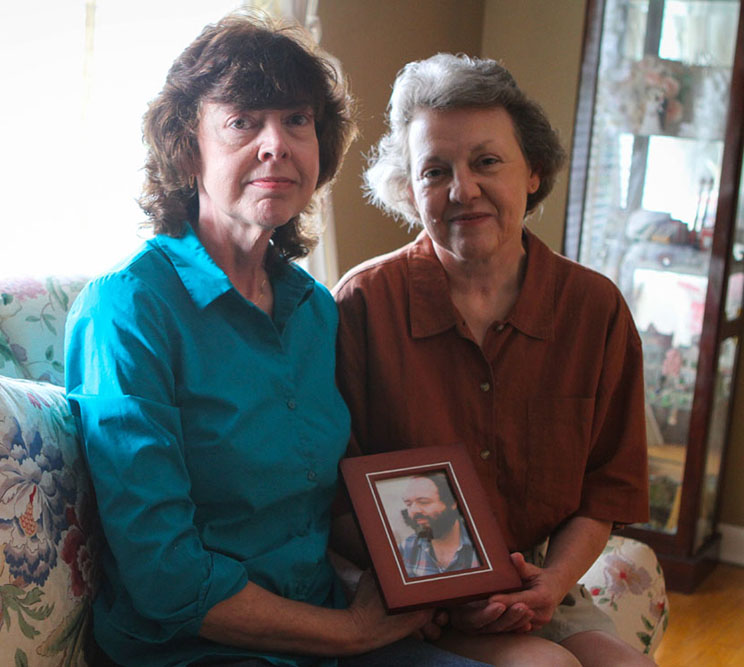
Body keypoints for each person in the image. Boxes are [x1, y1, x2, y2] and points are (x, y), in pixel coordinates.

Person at [65, 16, 485, 667]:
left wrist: (444, 574)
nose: (277, 144)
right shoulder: (127, 309)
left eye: (297, 119)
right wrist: (353, 632)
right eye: (243, 121)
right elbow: (165, 577)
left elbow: (334, 500)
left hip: (323, 623)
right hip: (198, 648)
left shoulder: (315, 309)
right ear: (186, 147)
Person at [333, 53, 654, 666]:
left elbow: (607, 490)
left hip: (537, 580)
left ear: (532, 172)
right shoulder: (362, 305)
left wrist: (551, 583)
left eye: (486, 162)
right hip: (407, 585)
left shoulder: (594, 310)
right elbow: (330, 491)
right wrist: (451, 591)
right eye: (434, 171)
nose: (462, 190)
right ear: (408, 191)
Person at [398, 473, 479, 578]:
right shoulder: (405, 550)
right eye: (408, 504)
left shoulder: (482, 544)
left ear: (452, 503)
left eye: (423, 502)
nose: (413, 511)